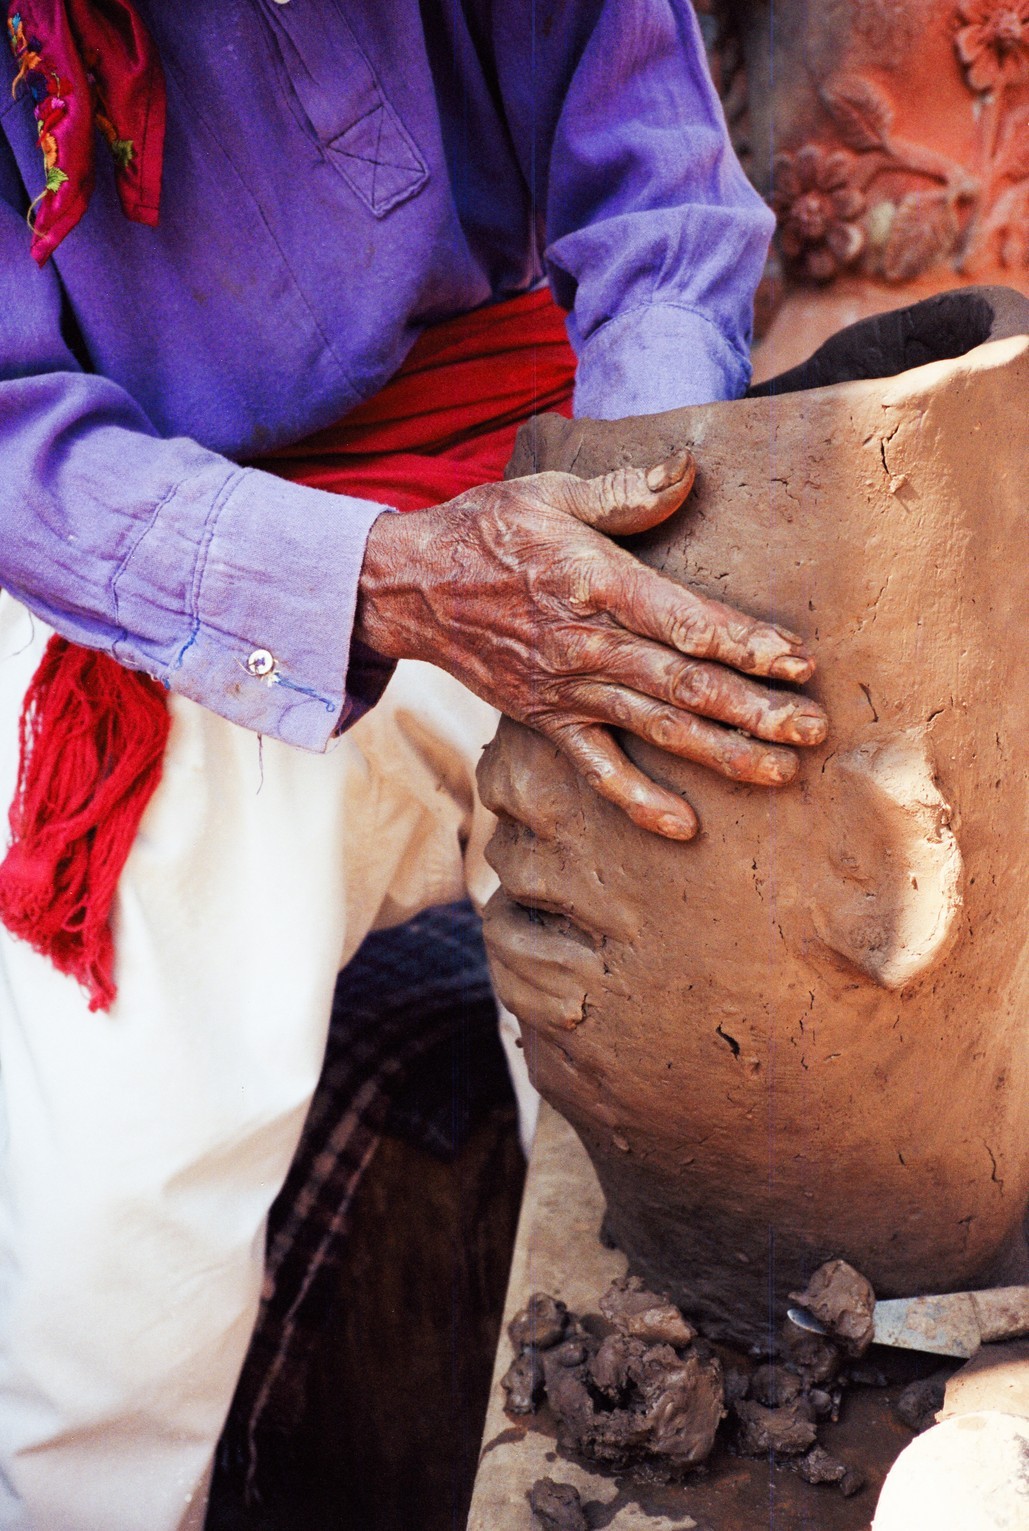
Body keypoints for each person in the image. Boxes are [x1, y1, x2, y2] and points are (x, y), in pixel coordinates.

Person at [0, 2, 828, 1527]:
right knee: (110, 1286)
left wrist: (638, 508)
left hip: (537, 462)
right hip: (157, 559)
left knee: (716, 1065)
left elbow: (652, 184)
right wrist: (374, 579)